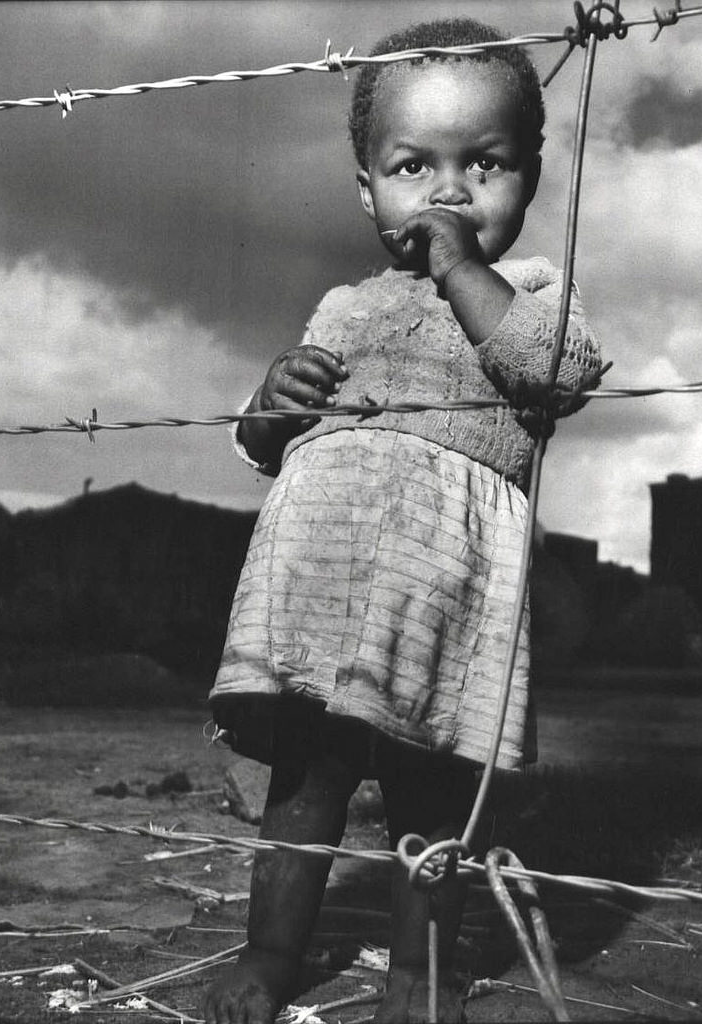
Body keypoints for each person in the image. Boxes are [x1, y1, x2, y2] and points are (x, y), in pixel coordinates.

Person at [202, 18, 602, 1024]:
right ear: (368, 188)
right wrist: (268, 403)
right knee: (304, 788)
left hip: (442, 602)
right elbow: (262, 444)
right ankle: (269, 952)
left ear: (531, 172)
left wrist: (464, 265)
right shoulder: (341, 306)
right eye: (413, 166)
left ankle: (418, 976)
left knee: (430, 808)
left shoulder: (534, 298)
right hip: (317, 597)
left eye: (485, 164)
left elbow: (551, 372)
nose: (448, 191)